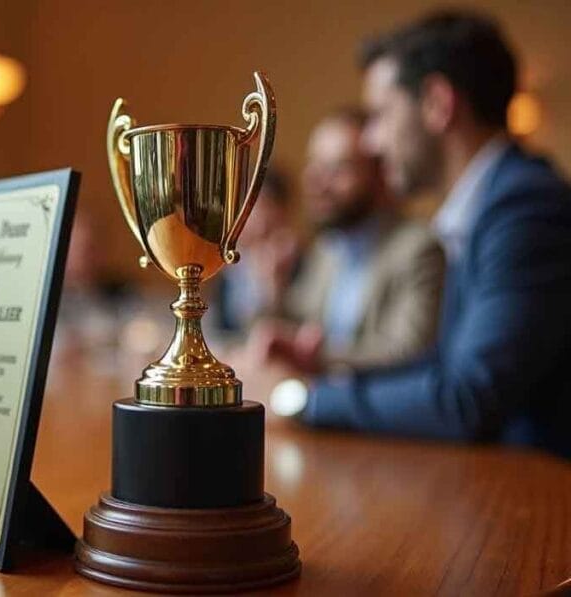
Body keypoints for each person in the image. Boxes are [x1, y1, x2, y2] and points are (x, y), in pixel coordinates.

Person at [265, 11, 571, 458]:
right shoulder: (488, 207)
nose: (371, 142)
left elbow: (469, 398)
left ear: (437, 104)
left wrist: (297, 399)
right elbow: (445, 367)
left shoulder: (525, 208)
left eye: (381, 115)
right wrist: (325, 363)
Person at [252, 108, 445, 371]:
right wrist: (275, 288)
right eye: (314, 165)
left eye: (337, 168)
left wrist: (321, 359)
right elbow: (297, 326)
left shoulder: (418, 248)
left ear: (380, 175)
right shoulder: (326, 249)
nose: (316, 181)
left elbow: (409, 350)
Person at [214, 167, 300, 333]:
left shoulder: (299, 264)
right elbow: (220, 327)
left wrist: (273, 284)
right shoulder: (230, 265)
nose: (256, 218)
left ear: (282, 211)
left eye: (263, 207)